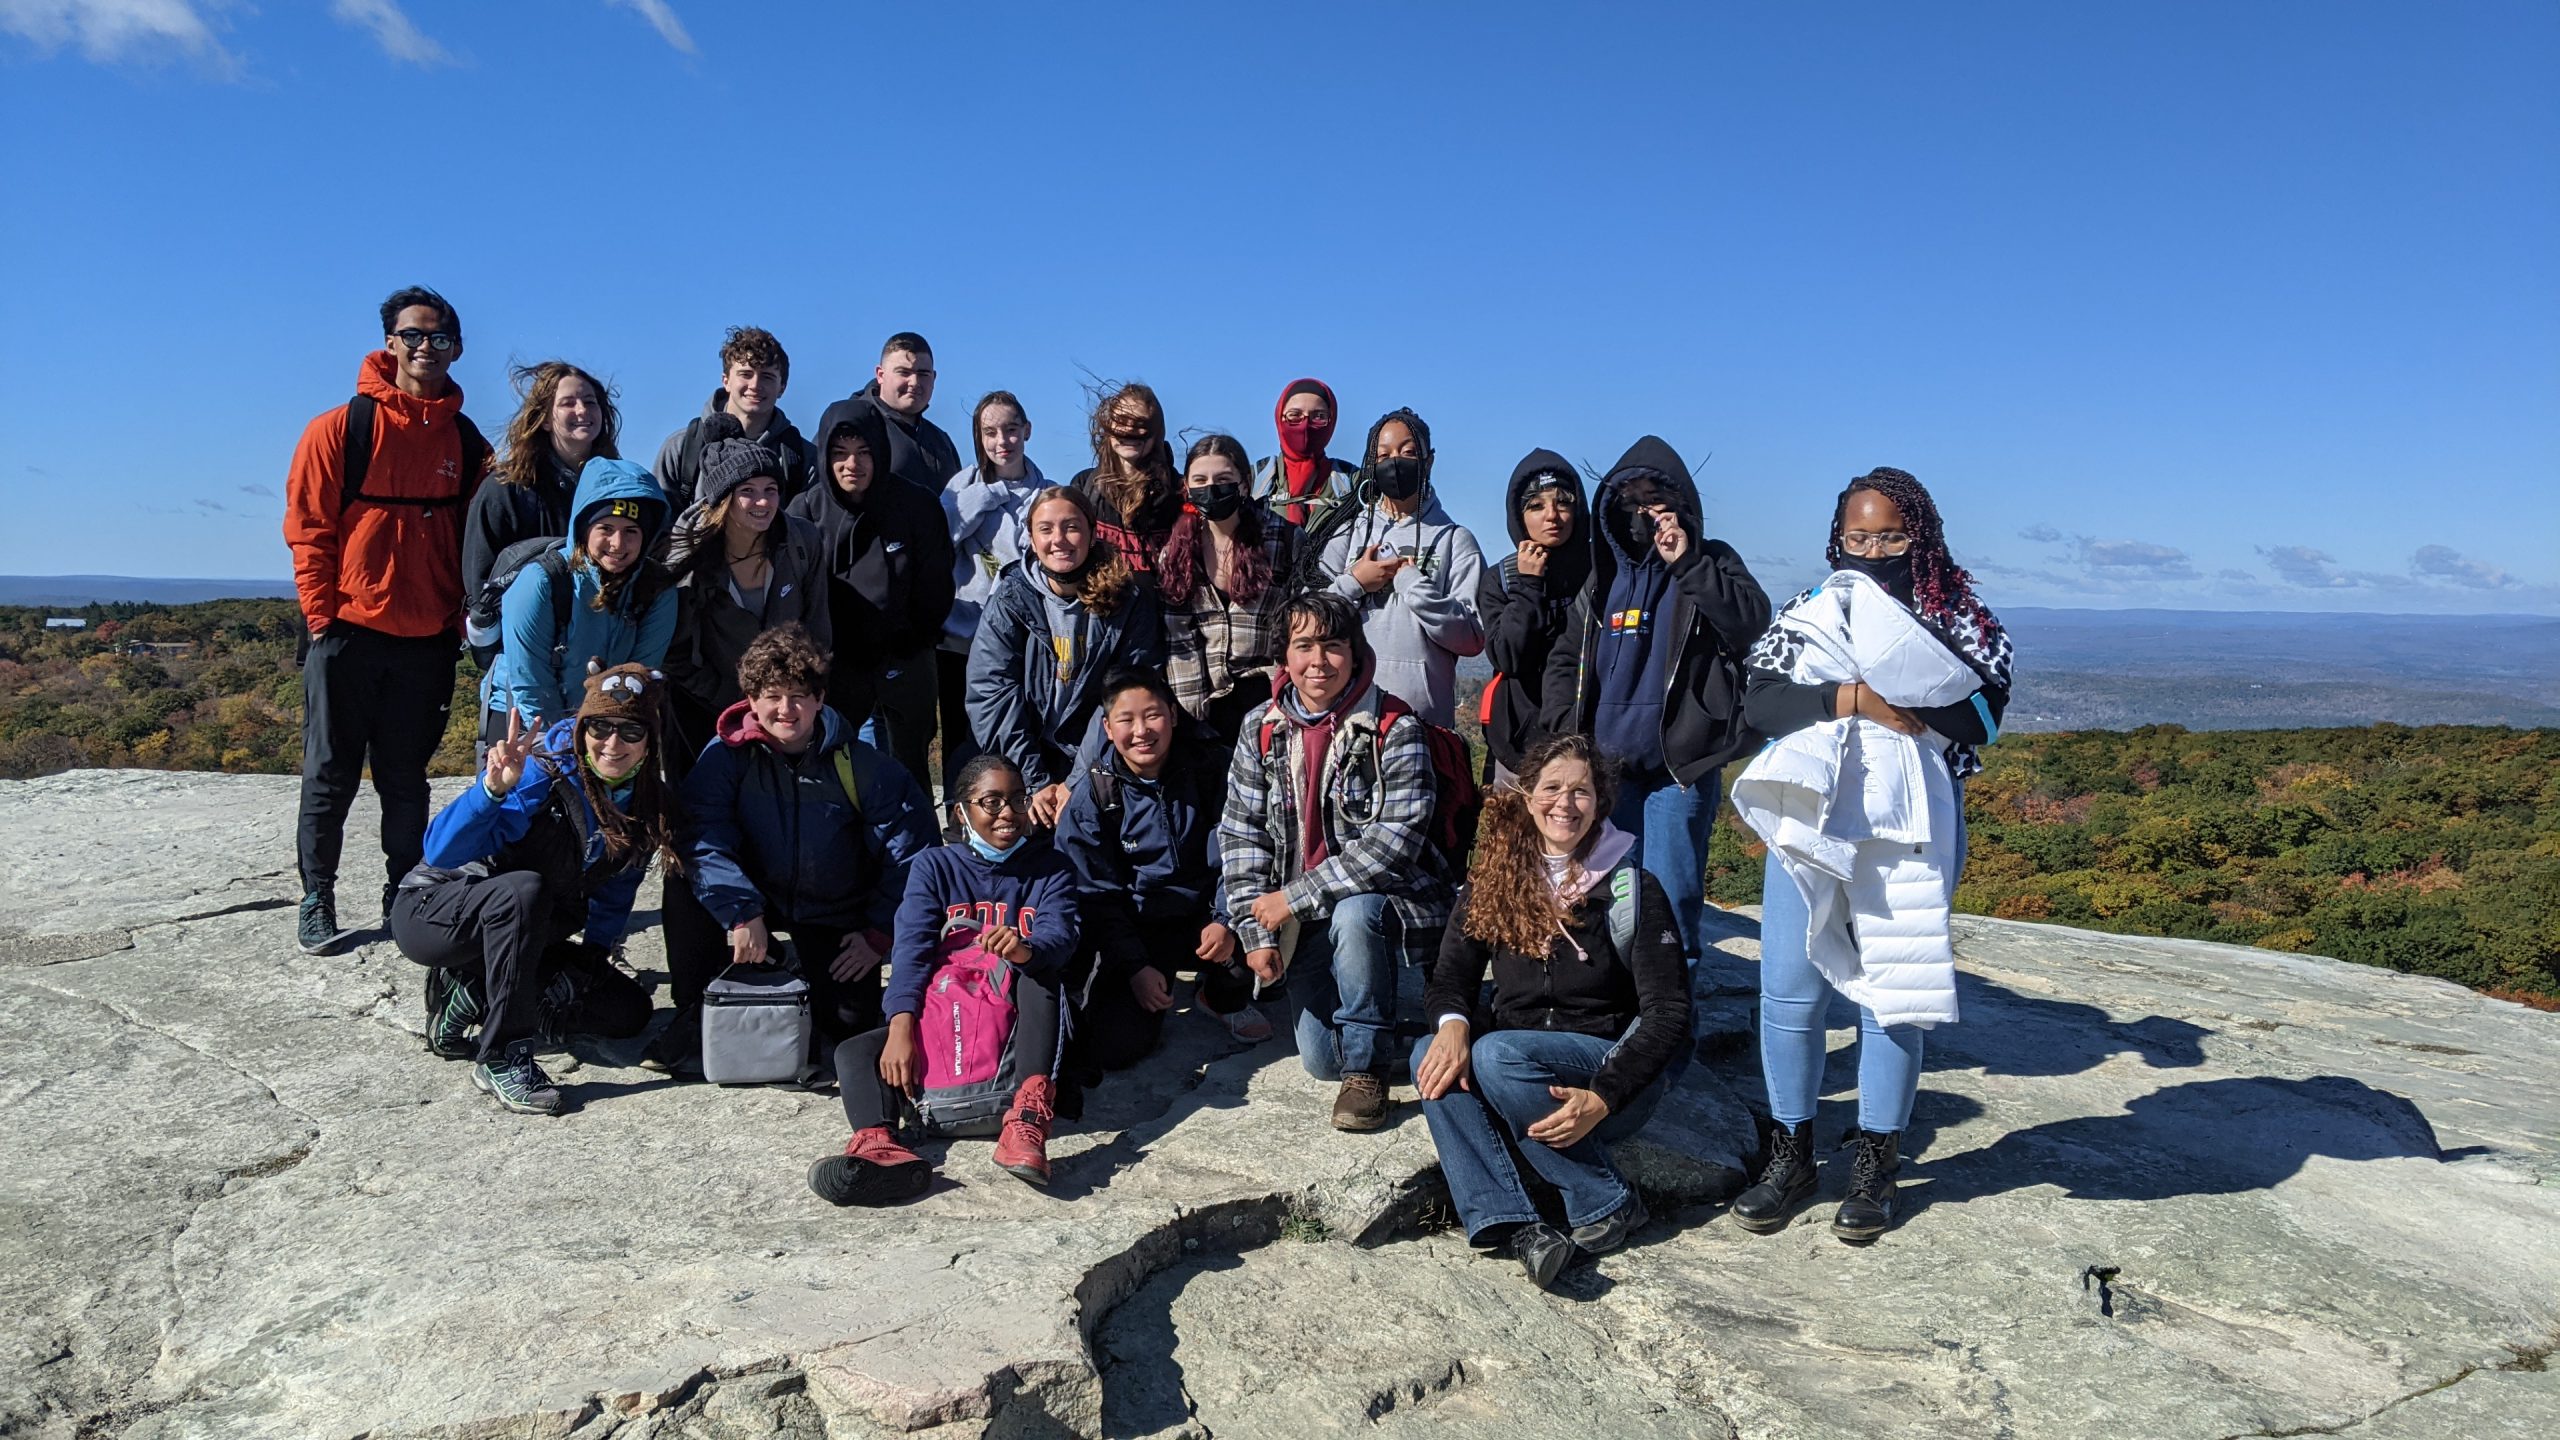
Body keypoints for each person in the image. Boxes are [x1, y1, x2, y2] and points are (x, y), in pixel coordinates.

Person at [1729, 466, 2011, 1244]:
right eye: (1858, 537)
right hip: (1812, 814)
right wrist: (1850, 699)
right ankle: (1790, 1155)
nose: (1873, 549)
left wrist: (1897, 672)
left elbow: (1983, 717)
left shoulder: (1957, 613)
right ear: (1837, 538)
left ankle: (1875, 1162)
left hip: (1911, 820)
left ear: (1918, 532)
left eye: (1889, 535)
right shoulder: (1812, 610)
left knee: (1896, 987)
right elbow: (1759, 700)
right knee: (1788, 987)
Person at [1412, 734, 1690, 1288]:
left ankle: (1603, 1197)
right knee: (1431, 1054)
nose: (1566, 803)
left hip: (1607, 1076)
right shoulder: (1495, 882)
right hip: (1515, 1070)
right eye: (1552, 788)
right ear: (1528, 797)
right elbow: (1451, 980)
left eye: (1582, 791)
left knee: (1494, 1055)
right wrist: (1452, 1026)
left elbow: (1670, 1013)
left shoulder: (1632, 888)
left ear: (1601, 803)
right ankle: (1515, 1225)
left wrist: (1605, 1095)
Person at [285, 285, 492, 955]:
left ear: (457, 348)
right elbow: (309, 531)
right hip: (348, 631)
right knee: (331, 773)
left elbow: (488, 524)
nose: (425, 348)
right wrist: (322, 621)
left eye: (438, 337)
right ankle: (317, 895)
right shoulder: (337, 430)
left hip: (426, 639)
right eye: (412, 335)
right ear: (388, 343)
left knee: (406, 780)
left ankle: (405, 894)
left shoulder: (463, 438)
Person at [390, 664, 668, 1115]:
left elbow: (618, 887)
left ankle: (470, 989)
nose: (613, 743)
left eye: (631, 730)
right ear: (582, 729)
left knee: (626, 1012)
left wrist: (592, 958)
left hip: (523, 928)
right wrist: (491, 791)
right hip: (436, 912)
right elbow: (441, 851)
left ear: (650, 740)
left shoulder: (641, 800)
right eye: (600, 726)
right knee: (525, 890)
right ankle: (502, 1054)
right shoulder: (544, 773)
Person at [1219, 592, 1451, 1131]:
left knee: (1355, 911)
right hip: (1302, 912)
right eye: (1303, 646)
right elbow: (1241, 833)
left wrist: (1290, 899)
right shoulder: (1262, 727)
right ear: (1284, 656)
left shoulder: (1394, 725)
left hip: (1389, 901)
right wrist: (1257, 937)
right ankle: (1439, 1037)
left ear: (1355, 651)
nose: (1318, 661)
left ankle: (1367, 1071)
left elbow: (1395, 843)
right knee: (1322, 1059)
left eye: (1332, 645)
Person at [667, 624, 940, 1074]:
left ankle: (797, 968)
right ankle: (692, 1007)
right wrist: (739, 911)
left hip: (833, 910)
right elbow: (701, 835)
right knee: (679, 877)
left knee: (847, 1028)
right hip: (759, 902)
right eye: (772, 695)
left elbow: (912, 854)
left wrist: (878, 935)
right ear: (751, 700)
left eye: (798, 694)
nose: (785, 709)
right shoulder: (725, 756)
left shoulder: (862, 764)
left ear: (819, 698)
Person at [809, 754, 1081, 1203]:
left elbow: (1061, 934)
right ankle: (881, 1146)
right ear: (962, 812)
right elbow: (912, 949)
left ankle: (1026, 1122)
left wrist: (1024, 949)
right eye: (991, 802)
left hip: (1016, 1036)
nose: (1007, 814)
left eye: (1016, 800)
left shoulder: (1051, 868)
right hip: (950, 1021)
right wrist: (901, 1029)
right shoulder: (933, 867)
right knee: (854, 1052)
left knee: (1041, 975)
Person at [1541, 436, 1770, 962]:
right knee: (1602, 896)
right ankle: (1616, 1021)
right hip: (1602, 771)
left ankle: (1673, 1033)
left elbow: (1751, 622)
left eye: (1657, 500)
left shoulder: (1711, 560)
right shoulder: (1601, 579)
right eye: (1630, 500)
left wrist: (1688, 563)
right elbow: (1564, 660)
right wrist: (1562, 736)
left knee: (1669, 903)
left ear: (1683, 505)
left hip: (1678, 767)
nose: (1643, 513)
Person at [1056, 669, 1268, 1081]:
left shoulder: (1213, 767)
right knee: (1115, 1047)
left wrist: (1225, 919)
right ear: (1106, 727)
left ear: (1172, 714)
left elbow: (1244, 850)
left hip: (1207, 912)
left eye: (1152, 715)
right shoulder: (1094, 796)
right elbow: (1093, 895)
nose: (1141, 732)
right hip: (1140, 925)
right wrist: (1134, 965)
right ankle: (1148, 982)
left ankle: (1220, 996)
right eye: (1126, 720)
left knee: (1250, 946)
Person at [965, 486, 1166, 829]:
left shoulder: (1127, 601)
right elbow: (991, 695)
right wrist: (1034, 781)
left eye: (1071, 527)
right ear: (1031, 537)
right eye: (1046, 529)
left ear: (1091, 533)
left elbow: (1126, 697)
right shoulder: (1010, 602)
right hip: (1027, 754)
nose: (1059, 539)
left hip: (1099, 753)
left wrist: (1077, 782)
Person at [786, 400, 955, 790]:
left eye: (864, 453)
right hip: (834, 663)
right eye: (840, 454)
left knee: (909, 769)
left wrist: (910, 640)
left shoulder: (917, 505)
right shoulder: (804, 512)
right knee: (830, 766)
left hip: (906, 654)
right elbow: (797, 598)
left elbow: (936, 585)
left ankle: (918, 845)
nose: (852, 465)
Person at [1316, 408, 1486, 729]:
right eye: (1384, 455)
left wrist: (1412, 584)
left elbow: (1472, 638)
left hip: (1426, 726)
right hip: (1348, 720)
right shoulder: (1348, 533)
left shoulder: (1455, 540)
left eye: (1408, 453)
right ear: (1371, 464)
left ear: (1429, 460)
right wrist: (1354, 582)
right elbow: (1311, 619)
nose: (1395, 462)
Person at [483, 458, 677, 734]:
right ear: (584, 529)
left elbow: (638, 677)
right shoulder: (542, 581)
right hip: (522, 718)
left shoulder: (657, 588)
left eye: (631, 531)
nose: (618, 544)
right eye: (606, 529)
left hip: (605, 721)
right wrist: (561, 745)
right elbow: (529, 681)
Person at [937, 391, 1055, 803]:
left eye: (1010, 430)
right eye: (990, 432)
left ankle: (1017, 810)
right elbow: (939, 539)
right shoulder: (961, 486)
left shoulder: (1047, 494)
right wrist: (984, 497)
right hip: (961, 641)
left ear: (1027, 431)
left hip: (1024, 643)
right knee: (963, 739)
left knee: (1016, 730)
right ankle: (961, 816)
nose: (1001, 441)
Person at [1156, 433, 1301, 755]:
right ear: (1188, 488)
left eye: (1223, 479)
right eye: (1200, 480)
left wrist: (1285, 696)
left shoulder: (1283, 541)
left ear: (1244, 484)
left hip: (1269, 701)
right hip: (1203, 713)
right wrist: (1192, 719)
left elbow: (1296, 625)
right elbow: (1178, 638)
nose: (1211, 488)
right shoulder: (1175, 552)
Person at [463, 361, 618, 605]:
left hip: (599, 629)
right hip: (525, 631)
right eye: (568, 403)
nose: (582, 410)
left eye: (590, 402)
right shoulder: (504, 489)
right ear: (544, 419)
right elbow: (480, 579)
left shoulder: (620, 487)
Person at [1477, 449, 1590, 782]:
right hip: (1518, 749)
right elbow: (1508, 657)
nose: (1551, 516)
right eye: (1536, 506)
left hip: (1588, 743)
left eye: (1563, 503)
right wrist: (1529, 585)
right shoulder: (1502, 579)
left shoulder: (1602, 573)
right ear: (1519, 515)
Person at [652, 326, 816, 506]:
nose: (755, 385)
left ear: (782, 387)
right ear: (726, 381)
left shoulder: (802, 457)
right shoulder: (683, 447)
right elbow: (660, 524)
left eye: (767, 377)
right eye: (746, 374)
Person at [1072, 383, 1182, 576]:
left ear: (1156, 432)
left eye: (1140, 424)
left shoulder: (1179, 492)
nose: (1129, 430)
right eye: (1122, 420)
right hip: (1103, 603)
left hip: (1165, 604)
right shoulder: (1084, 486)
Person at [853, 331, 962, 491]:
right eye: (904, 372)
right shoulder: (853, 427)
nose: (914, 382)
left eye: (923, 374)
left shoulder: (941, 442)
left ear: (934, 377)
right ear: (880, 375)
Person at [1251, 378, 1357, 527]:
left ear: (1331, 420)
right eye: (1295, 415)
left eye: (1319, 416)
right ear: (1279, 417)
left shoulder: (1353, 481)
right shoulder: (1253, 479)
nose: (1305, 425)